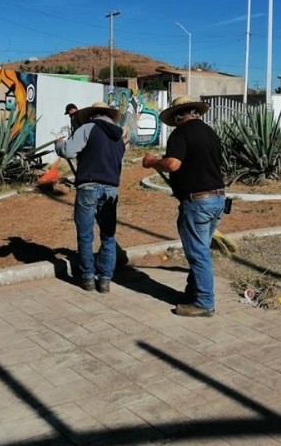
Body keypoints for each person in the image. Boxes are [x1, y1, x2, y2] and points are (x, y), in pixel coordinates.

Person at [141, 95, 225, 318]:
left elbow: (173, 164)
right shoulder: (210, 133)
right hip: (217, 199)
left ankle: (204, 302)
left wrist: (152, 162)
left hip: (197, 202)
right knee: (201, 250)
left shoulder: (181, 133)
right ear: (195, 112)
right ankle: (193, 293)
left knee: (198, 254)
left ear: (178, 116)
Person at [55, 101, 125, 293]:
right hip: (111, 189)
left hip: (88, 186)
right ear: (109, 116)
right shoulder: (119, 137)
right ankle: (104, 280)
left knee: (86, 235)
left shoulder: (88, 129)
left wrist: (59, 145)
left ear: (92, 115)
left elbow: (68, 151)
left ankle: (87, 278)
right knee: (108, 236)